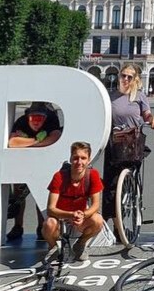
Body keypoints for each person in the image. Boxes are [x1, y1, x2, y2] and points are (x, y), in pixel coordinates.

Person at [103, 64, 154, 213]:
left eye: (129, 77)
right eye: (123, 75)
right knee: (110, 184)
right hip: (114, 141)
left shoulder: (139, 96)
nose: (125, 79)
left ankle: (133, 194)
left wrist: (152, 119)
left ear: (135, 79)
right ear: (119, 76)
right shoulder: (111, 96)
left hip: (133, 141)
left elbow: (146, 114)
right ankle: (114, 223)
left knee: (131, 171)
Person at [6, 101, 64, 242]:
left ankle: (40, 227)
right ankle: (18, 226)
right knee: (19, 195)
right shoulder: (21, 121)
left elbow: (54, 138)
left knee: (41, 194)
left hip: (43, 163)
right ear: (28, 116)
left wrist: (25, 141)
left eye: (40, 118)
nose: (36, 122)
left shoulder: (51, 119)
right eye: (33, 118)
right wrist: (38, 141)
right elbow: (12, 142)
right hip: (22, 163)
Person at [43, 141, 105, 260]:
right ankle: (54, 248)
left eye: (83, 158)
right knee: (48, 224)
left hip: (80, 217)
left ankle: (81, 244)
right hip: (60, 218)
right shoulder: (59, 176)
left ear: (88, 160)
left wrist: (83, 214)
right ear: (70, 159)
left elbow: (96, 205)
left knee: (98, 220)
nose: (79, 162)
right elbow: (51, 209)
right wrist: (70, 214)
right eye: (76, 158)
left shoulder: (93, 175)